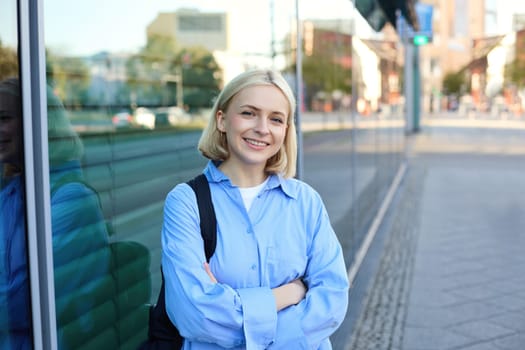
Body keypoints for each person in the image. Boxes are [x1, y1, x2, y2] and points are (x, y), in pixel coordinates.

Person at [161, 69, 349, 349]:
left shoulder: (305, 203)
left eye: (276, 119)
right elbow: (195, 315)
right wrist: (290, 293)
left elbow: (332, 302)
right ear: (222, 120)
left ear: (285, 131)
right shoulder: (186, 203)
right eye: (249, 113)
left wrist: (232, 304)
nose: (263, 128)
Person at [0, 77, 112, 349]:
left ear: (40, 121)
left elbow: (23, 301)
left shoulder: (71, 199)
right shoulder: (13, 193)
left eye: (4, 118)